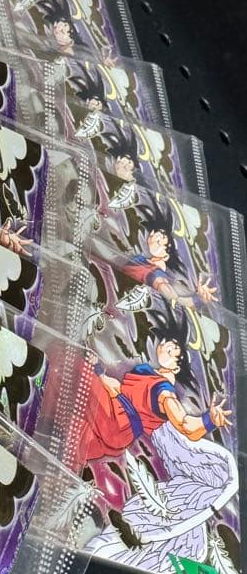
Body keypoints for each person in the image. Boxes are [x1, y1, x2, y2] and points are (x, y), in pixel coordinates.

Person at [79, 306, 230, 464]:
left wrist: (209, 420)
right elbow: (116, 388)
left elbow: (184, 424)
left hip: (118, 422)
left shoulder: (164, 392)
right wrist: (97, 370)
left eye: (171, 351)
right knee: (71, 446)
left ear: (176, 368)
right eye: (165, 344)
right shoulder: (147, 375)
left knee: (73, 363)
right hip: (116, 426)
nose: (163, 346)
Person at [121, 198, 217, 308]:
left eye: (158, 241)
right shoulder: (140, 259)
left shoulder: (158, 276)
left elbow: (174, 296)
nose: (152, 238)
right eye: (152, 236)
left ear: (166, 256)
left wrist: (199, 299)